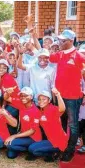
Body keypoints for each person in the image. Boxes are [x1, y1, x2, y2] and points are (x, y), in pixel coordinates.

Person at [49, 30, 85, 162]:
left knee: (73, 125)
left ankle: (69, 151)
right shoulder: (59, 55)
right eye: (59, 40)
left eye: (63, 40)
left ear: (71, 41)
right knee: (61, 124)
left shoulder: (79, 56)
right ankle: (61, 147)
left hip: (73, 97)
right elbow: (44, 54)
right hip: (59, 97)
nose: (60, 42)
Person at [28, 89, 68, 162]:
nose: (41, 101)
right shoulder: (40, 112)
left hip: (59, 141)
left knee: (34, 150)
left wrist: (58, 95)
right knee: (31, 148)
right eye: (39, 99)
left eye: (44, 99)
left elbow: (62, 109)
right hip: (50, 140)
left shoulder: (52, 109)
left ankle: (57, 152)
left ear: (49, 101)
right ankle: (52, 152)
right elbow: (34, 126)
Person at [4, 87, 42, 160]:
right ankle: (24, 147)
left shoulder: (36, 111)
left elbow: (32, 131)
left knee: (10, 144)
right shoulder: (21, 104)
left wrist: (14, 136)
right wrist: (7, 92)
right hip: (23, 134)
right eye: (21, 95)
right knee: (10, 155)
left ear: (31, 97)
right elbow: (7, 98)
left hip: (33, 137)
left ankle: (31, 148)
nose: (23, 97)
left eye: (26, 95)